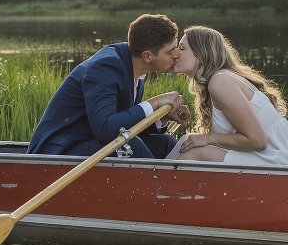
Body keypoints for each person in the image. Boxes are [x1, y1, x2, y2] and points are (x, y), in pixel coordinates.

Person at [27, 14, 190, 159]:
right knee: (131, 147)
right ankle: (161, 191)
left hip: (89, 141)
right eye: (170, 52)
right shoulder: (105, 68)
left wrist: (163, 118)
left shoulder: (135, 65)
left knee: (166, 143)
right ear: (147, 56)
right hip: (58, 152)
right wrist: (154, 102)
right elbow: (105, 130)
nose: (176, 54)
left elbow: (121, 125)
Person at [167, 25, 288, 166]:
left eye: (182, 48)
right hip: (280, 156)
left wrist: (208, 138)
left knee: (194, 153)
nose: (175, 54)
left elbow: (257, 141)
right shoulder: (221, 79)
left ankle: (155, 186)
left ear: (201, 53)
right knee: (188, 140)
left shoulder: (220, 82)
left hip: (287, 162)